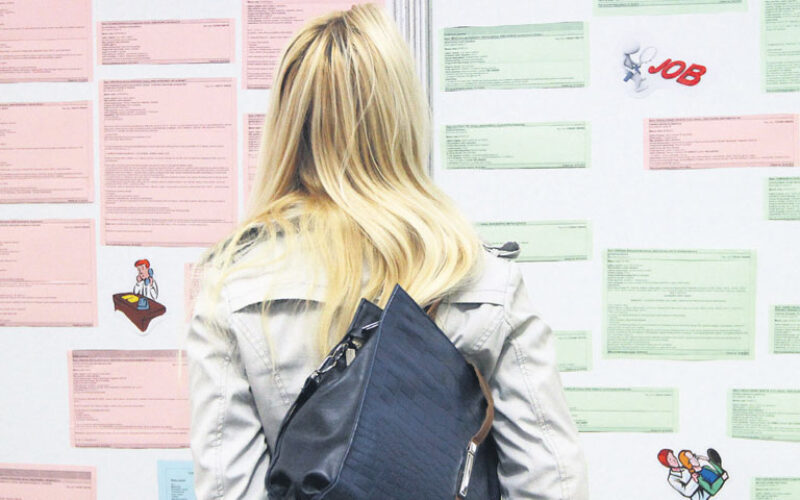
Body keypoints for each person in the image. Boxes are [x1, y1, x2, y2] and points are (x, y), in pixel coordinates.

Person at [182, 3, 588, 499]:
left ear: (288, 123)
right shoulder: (481, 279)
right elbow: (553, 485)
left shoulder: (236, 287)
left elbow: (227, 489)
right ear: (403, 112)